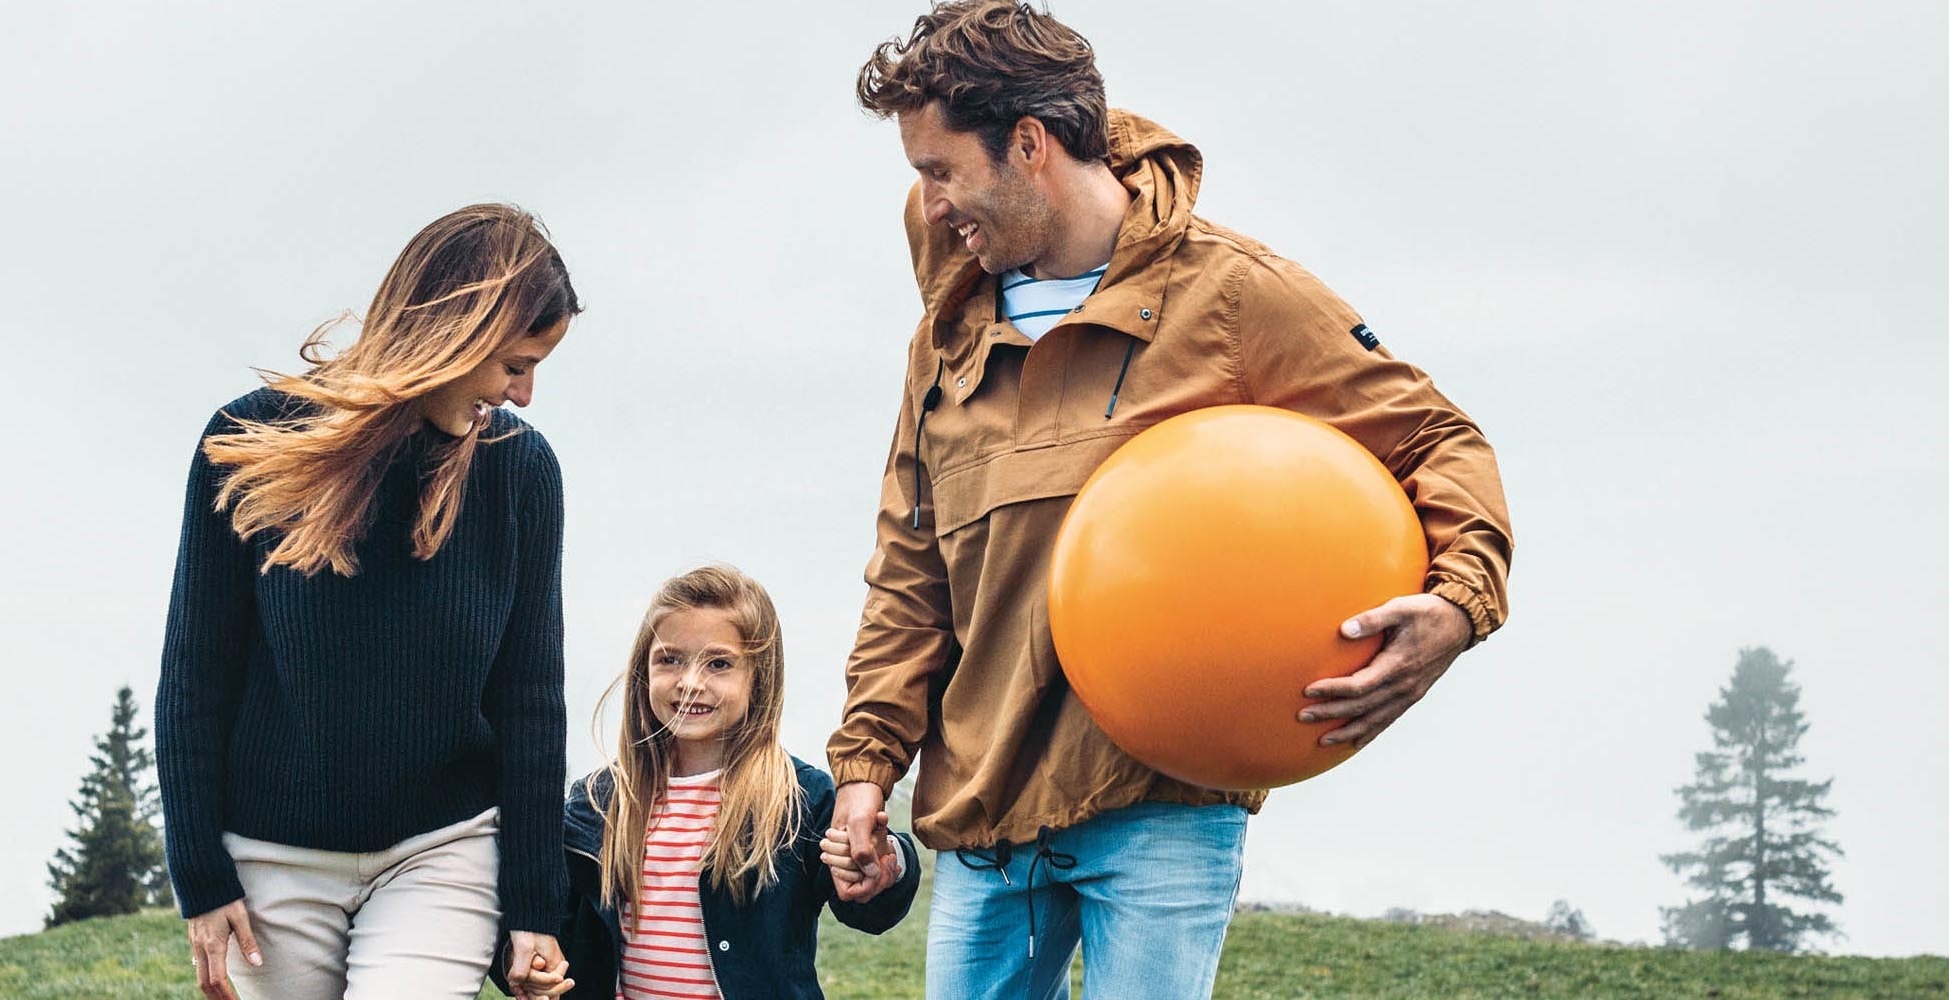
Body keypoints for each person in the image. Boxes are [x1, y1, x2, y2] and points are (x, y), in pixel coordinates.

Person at [820, 4, 1519, 997]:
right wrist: (864, 769)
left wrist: (1459, 602)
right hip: (983, 814)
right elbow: (909, 573)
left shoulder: (1234, 299)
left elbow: (1437, 439)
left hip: (1161, 810)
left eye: (940, 170)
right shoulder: (946, 338)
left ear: (1028, 145)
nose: (929, 205)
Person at [155, 204, 584, 1000]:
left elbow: (530, 700)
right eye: (514, 364)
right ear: (453, 334)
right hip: (271, 856)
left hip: (441, 849)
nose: (523, 395)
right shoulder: (247, 442)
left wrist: (534, 907)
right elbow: (194, 676)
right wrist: (201, 877)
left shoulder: (521, 473)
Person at [523, 566, 919, 1000]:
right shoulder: (598, 802)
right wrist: (528, 959)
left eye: (718, 663)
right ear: (643, 670)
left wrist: (884, 865)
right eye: (670, 659)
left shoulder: (798, 799)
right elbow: (542, 921)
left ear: (758, 679)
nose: (690, 683)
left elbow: (868, 908)